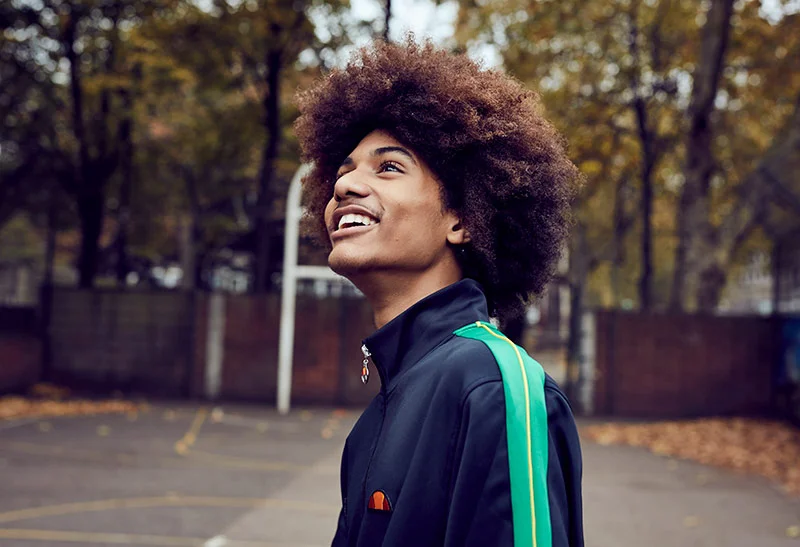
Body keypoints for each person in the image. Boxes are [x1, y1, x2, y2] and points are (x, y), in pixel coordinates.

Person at [294, 38, 584, 547]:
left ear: (462, 219)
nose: (345, 186)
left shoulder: (493, 387)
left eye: (388, 167)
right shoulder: (382, 410)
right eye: (343, 171)